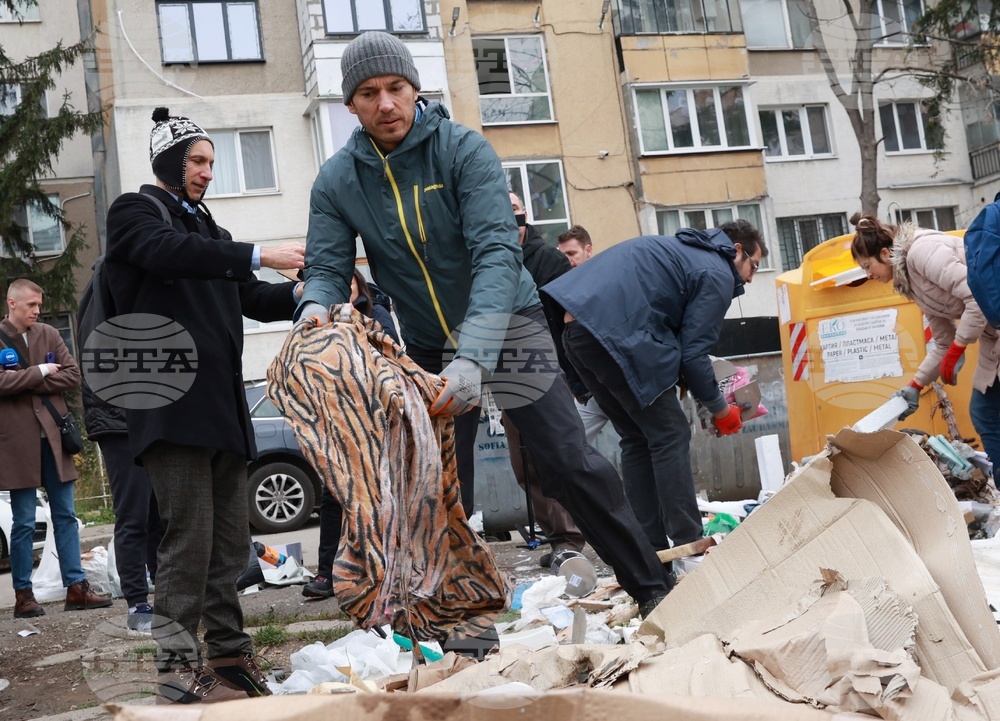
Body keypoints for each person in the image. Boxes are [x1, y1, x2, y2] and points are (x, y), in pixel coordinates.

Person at [298, 30, 675, 616]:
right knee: (431, 481)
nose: (386, 104)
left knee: (565, 458)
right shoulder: (337, 180)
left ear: (414, 89)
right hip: (425, 341)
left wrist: (473, 355)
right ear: (351, 104)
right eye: (368, 93)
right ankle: (447, 610)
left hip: (511, 324)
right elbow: (325, 266)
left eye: (395, 88)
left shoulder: (463, 151)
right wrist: (314, 311)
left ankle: (651, 585)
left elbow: (498, 255)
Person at [103, 108, 305, 704]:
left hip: (220, 408)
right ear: (168, 159)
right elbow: (168, 253)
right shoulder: (135, 212)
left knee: (227, 541)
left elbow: (253, 298)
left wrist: (303, 292)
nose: (208, 173)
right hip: (171, 406)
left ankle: (229, 657)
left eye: (212, 163)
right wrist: (261, 252)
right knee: (187, 537)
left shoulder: (208, 229)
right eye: (198, 160)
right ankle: (173, 666)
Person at [542, 221, 764, 553]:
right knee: (670, 434)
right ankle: (689, 542)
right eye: (754, 265)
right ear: (736, 251)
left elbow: (669, 328)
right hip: (614, 334)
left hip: (578, 337)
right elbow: (693, 353)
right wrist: (721, 409)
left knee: (637, 439)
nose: (749, 278)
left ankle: (649, 550)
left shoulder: (682, 253)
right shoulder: (716, 270)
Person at [0, 279, 112, 619]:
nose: (38, 310)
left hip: (53, 439)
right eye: (31, 304)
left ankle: (76, 587)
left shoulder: (48, 333)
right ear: (12, 303)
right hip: (16, 444)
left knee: (65, 516)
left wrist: (22, 380)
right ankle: (23, 595)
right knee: (22, 523)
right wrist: (40, 372)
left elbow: (73, 376)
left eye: (39, 304)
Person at [850, 213, 1000, 463]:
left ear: (885, 254)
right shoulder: (908, 280)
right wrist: (914, 387)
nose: (868, 275)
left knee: (987, 413)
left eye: (867, 266)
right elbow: (943, 341)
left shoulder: (922, 252)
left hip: (994, 326)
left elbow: (977, 297)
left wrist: (958, 348)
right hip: (992, 336)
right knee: (985, 413)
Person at [302, 268, 399, 600]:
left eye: (349, 282)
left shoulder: (376, 313)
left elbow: (389, 355)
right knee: (333, 496)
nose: (342, 289)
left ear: (359, 285)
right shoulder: (317, 318)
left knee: (379, 492)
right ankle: (328, 572)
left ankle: (385, 569)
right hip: (333, 417)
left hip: (372, 417)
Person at [505, 193, 586, 567]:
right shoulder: (490, 256)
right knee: (525, 464)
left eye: (515, 211)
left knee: (559, 454)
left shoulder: (548, 261)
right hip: (509, 371)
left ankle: (572, 536)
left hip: (549, 369)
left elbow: (568, 319)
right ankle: (558, 536)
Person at [81, 377, 164, 634]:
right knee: (133, 515)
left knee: (159, 516)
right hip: (119, 422)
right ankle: (137, 606)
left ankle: (167, 600)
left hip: (152, 417)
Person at [556, 225, 609, 444]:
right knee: (568, 446)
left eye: (572, 253)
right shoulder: (563, 288)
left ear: (588, 250)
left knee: (640, 440)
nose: (567, 260)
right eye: (562, 255)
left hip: (617, 382)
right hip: (589, 390)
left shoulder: (606, 282)